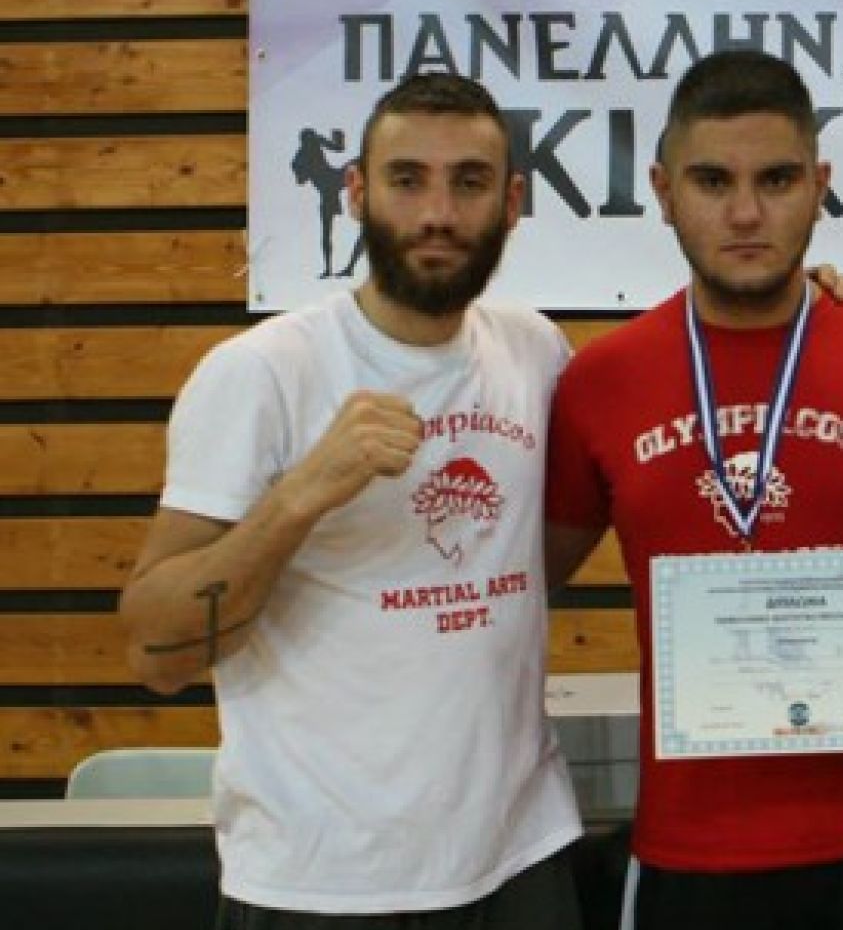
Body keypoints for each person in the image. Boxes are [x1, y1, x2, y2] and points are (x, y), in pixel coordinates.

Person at [541, 49, 843, 930]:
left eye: (778, 179)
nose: (746, 213)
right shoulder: (601, 380)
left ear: (820, 185)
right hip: (695, 854)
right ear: (663, 190)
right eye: (712, 181)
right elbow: (519, 576)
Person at [119, 74, 585, 927]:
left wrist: (802, 302)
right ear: (358, 192)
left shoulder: (534, 350)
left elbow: (537, 553)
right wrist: (300, 496)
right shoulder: (263, 372)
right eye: (408, 180)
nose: (438, 213)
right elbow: (157, 653)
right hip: (321, 880)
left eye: (469, 182)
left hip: (519, 858)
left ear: (512, 201)